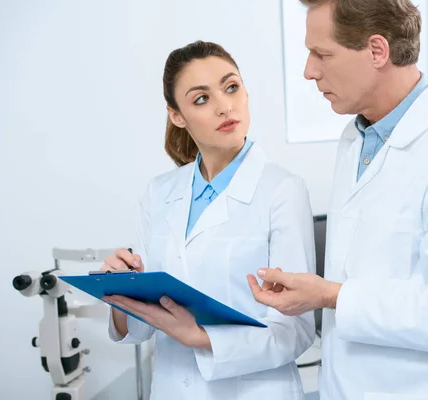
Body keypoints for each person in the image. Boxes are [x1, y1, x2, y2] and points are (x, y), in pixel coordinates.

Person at [248, 1, 428, 399]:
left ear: (377, 50)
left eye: (322, 54)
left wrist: (331, 295)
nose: (309, 71)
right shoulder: (355, 140)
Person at [101, 41, 316, 399]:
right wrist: (119, 292)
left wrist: (200, 338)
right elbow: (140, 328)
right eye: (201, 98)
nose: (224, 106)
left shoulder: (282, 190)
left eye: (231, 87)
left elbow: (296, 330)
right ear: (177, 116)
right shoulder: (159, 193)